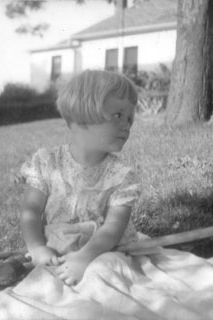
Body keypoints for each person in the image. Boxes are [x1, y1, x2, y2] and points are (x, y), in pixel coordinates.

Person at [19, 70, 141, 287]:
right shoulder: (47, 162)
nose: (127, 125)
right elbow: (31, 211)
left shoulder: (120, 175)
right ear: (82, 118)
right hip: (55, 248)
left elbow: (113, 228)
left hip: (102, 249)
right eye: (118, 115)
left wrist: (85, 258)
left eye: (130, 117)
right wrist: (37, 248)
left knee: (103, 275)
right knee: (34, 280)